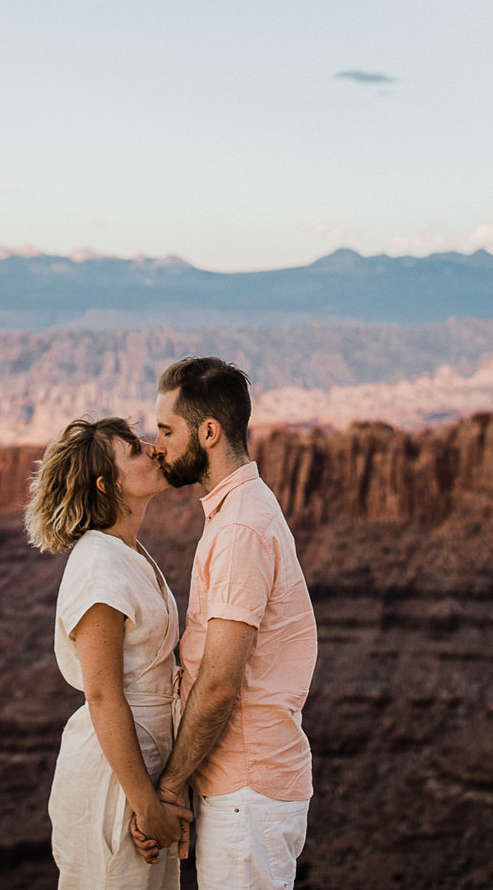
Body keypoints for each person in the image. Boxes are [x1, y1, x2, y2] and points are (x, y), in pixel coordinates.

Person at [144, 356, 319, 890]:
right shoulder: (240, 510)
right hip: (242, 788)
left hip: (248, 792)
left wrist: (171, 786)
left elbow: (219, 684)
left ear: (209, 432)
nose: (158, 446)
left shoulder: (240, 527)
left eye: (167, 430)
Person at [28, 415, 190, 889]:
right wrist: (145, 805)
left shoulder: (128, 552)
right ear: (106, 485)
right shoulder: (100, 566)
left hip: (141, 771)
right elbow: (102, 696)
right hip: (113, 780)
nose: (154, 451)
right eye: (136, 451)